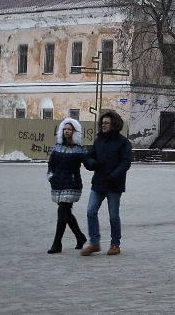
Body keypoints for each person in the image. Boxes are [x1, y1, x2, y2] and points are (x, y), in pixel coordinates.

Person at [82, 109, 133, 255]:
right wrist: (92, 164)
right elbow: (89, 156)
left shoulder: (123, 142)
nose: (103, 125)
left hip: (114, 185)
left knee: (113, 216)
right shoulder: (99, 140)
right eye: (102, 123)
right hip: (98, 183)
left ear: (114, 124)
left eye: (107, 123)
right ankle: (94, 242)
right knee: (90, 211)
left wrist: (114, 175)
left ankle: (115, 244)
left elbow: (126, 162)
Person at [45, 117, 87, 254]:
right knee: (66, 213)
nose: (66, 131)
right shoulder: (57, 147)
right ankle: (80, 237)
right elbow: (51, 165)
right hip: (58, 185)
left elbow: (89, 162)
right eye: (64, 129)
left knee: (62, 212)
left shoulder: (79, 149)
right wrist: (51, 177)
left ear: (75, 132)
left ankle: (57, 244)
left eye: (69, 129)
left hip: (72, 184)